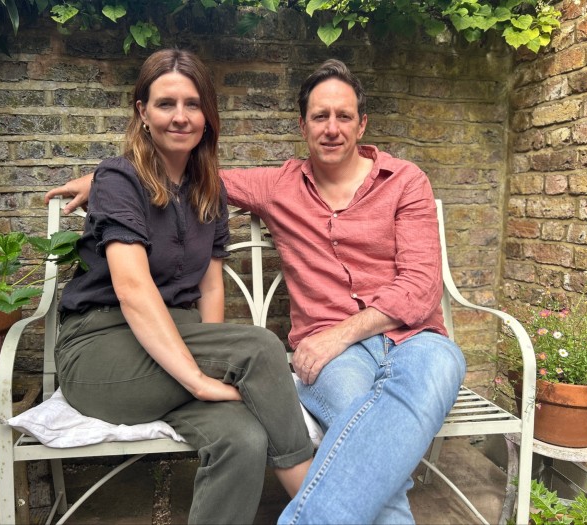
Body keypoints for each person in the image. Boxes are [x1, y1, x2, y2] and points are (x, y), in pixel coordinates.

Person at [47, 58, 467, 524]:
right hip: (126, 345)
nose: (332, 128)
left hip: (414, 340)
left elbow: (420, 287)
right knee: (288, 367)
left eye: (344, 116)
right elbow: (136, 263)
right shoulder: (277, 185)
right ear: (303, 126)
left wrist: (108, 178)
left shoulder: (404, 181)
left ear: (362, 123)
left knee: (253, 440)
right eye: (319, 117)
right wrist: (107, 178)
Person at [50, 48, 313, 525]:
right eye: (166, 103)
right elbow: (131, 289)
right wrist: (199, 380)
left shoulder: (208, 188)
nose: (180, 116)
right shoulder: (118, 179)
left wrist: (206, 368)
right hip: (101, 353)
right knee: (260, 347)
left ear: (207, 115)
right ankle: (324, 509)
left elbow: (211, 289)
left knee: (244, 439)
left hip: (172, 346)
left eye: (192, 104)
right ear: (142, 112)